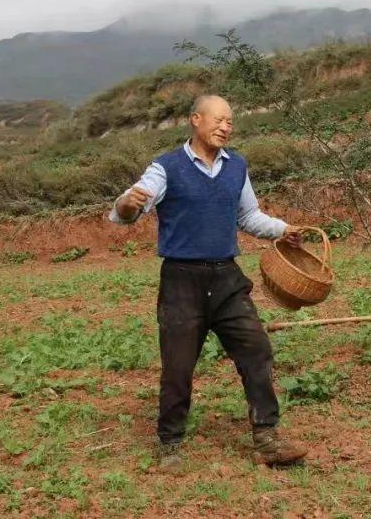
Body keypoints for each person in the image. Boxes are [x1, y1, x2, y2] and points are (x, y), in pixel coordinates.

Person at [110, 94, 308, 469]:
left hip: (226, 276)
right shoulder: (165, 167)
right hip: (181, 281)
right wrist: (126, 206)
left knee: (256, 349)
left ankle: (267, 438)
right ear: (195, 120)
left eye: (230, 121)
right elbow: (130, 206)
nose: (225, 126)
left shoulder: (237, 167)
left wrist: (283, 229)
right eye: (218, 119)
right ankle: (170, 444)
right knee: (178, 365)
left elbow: (249, 216)